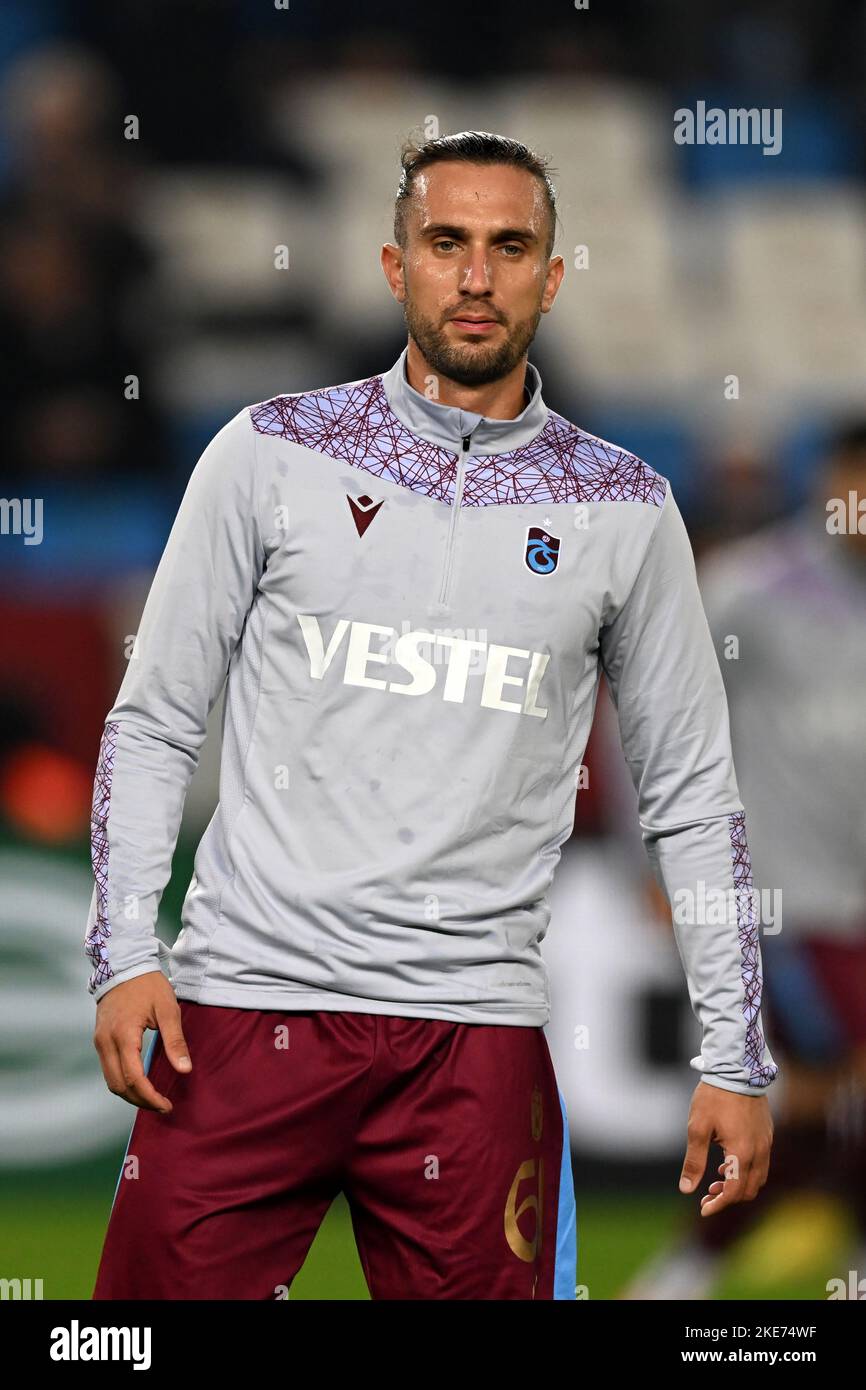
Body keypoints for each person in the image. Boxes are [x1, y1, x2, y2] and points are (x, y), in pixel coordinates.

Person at [86, 130, 776, 1301]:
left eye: (509, 247)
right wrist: (122, 955)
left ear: (551, 278)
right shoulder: (268, 454)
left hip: (471, 1036)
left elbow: (693, 797)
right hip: (246, 1007)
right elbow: (153, 718)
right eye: (445, 242)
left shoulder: (623, 508)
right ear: (392, 264)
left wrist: (732, 1054)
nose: (475, 275)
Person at [621, 424, 866, 1299]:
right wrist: (649, 864)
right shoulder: (749, 590)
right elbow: (654, 723)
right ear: (830, 479)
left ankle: (702, 1269)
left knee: (821, 1108)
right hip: (785, 905)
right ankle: (692, 1267)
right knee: (815, 1093)